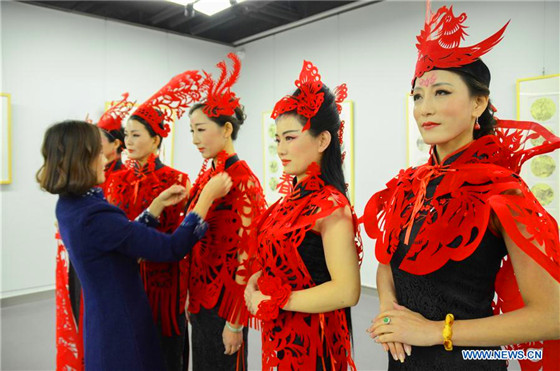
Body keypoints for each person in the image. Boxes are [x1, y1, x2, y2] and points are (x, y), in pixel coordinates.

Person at [363, 4, 560, 370]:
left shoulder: (502, 190)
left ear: (478, 103)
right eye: (418, 97)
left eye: (441, 93)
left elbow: (552, 316)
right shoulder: (411, 184)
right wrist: (388, 305)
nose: (424, 109)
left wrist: (437, 332)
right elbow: (389, 263)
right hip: (406, 358)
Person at [37, 120, 232, 370]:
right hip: (122, 328)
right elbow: (171, 248)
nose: (106, 158)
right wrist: (205, 198)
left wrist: (155, 207)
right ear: (81, 158)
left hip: (101, 322)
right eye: (97, 152)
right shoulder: (94, 214)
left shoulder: (69, 205)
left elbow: (120, 236)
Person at [244, 60, 362, 371]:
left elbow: (347, 290)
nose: (281, 149)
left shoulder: (331, 205)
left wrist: (278, 300)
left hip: (315, 342)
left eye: (291, 137)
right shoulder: (287, 203)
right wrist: (258, 280)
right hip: (280, 335)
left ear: (323, 141)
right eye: (278, 139)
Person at [104, 71, 202, 370]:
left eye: (136, 135)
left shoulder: (175, 179)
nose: (128, 141)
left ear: (155, 139)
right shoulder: (116, 180)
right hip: (125, 277)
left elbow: (181, 234)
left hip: (163, 281)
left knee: (164, 347)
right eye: (127, 134)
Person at [186, 53, 267, 371]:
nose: (194, 140)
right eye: (191, 131)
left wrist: (236, 322)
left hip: (225, 303)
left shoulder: (243, 180)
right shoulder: (209, 175)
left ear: (227, 129)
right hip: (202, 295)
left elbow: (249, 254)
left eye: (201, 130)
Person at [54, 93, 135, 371]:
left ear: (116, 144)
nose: (95, 152)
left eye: (99, 144)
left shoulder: (122, 178)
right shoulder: (89, 178)